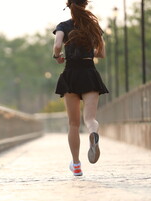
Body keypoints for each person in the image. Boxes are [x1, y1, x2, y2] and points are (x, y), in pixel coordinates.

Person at [52, 0, 109, 176]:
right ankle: (93, 133)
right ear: (85, 5)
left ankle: (76, 165)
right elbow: (101, 53)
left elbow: (57, 46)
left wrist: (57, 56)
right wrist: (90, 52)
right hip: (89, 72)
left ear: (69, 6)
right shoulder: (93, 26)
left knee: (73, 124)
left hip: (71, 74)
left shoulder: (64, 25)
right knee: (90, 119)